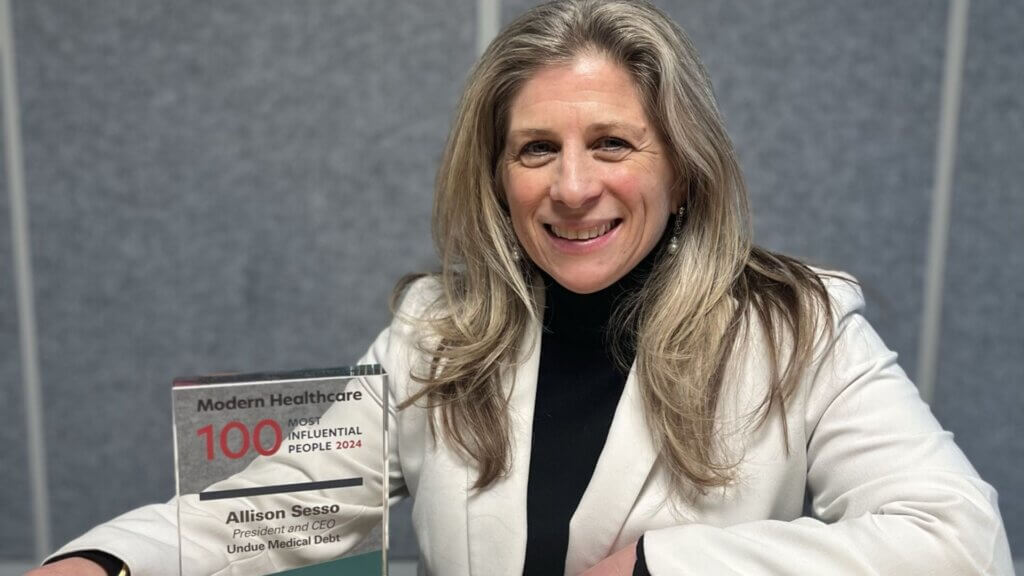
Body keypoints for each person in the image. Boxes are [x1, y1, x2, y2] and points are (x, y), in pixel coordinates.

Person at [30, 1, 1013, 575]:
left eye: (612, 144)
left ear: (682, 171)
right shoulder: (436, 330)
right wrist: (106, 563)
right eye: (536, 149)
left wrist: (661, 570)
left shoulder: (796, 328)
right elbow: (276, 506)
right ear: (497, 179)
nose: (572, 186)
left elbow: (960, 539)